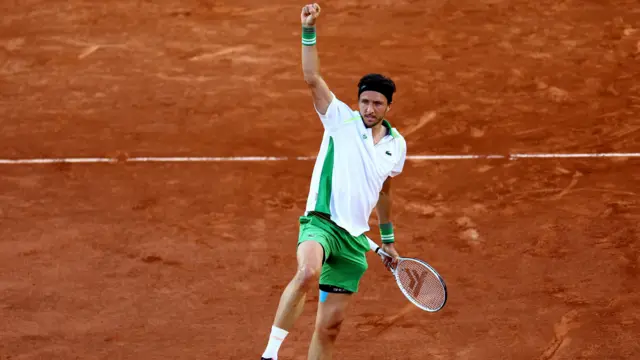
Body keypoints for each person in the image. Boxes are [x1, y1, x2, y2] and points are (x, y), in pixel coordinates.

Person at [260, 3, 407, 359]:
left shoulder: (396, 145)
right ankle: (269, 354)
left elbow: (384, 191)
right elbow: (312, 77)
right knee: (308, 271)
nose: (369, 109)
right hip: (321, 224)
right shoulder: (340, 118)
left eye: (377, 104)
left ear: (388, 106)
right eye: (364, 102)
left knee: (330, 328)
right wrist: (308, 30)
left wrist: (386, 239)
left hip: (355, 241)